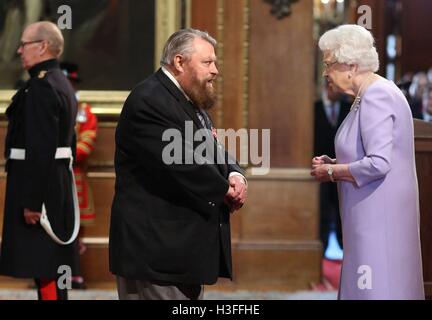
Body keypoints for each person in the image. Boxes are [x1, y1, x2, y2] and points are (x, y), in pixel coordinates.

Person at [109, 28, 248, 300]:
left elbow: (213, 146)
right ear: (179, 62)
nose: (215, 70)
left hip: (178, 251)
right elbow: (179, 164)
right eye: (207, 62)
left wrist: (235, 173)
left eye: (215, 62)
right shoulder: (149, 100)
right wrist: (223, 189)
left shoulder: (187, 100)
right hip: (154, 252)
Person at [311, 24, 424, 300]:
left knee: (375, 288)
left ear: (350, 64)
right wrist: (337, 161)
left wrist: (331, 171)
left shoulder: (377, 94)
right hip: (367, 211)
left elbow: (379, 163)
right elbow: (366, 153)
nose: (325, 72)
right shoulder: (365, 95)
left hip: (378, 216)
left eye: (328, 64)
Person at [0, 21, 79, 300]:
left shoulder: (43, 86)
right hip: (53, 183)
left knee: (45, 264)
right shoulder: (60, 83)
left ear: (43, 46)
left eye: (24, 44)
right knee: (48, 266)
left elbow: (40, 148)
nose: (19, 50)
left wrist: (33, 202)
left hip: (38, 188)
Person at [61, 62, 99, 289]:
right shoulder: (49, 107)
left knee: (76, 230)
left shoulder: (84, 112)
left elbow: (86, 143)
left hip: (75, 177)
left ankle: (74, 274)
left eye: (71, 83)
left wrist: (61, 153)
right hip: (50, 177)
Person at [314, 80, 350, 255]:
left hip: (341, 170)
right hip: (319, 171)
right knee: (322, 213)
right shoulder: (315, 108)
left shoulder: (347, 108)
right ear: (327, 87)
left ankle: (345, 248)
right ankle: (322, 248)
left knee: (341, 212)